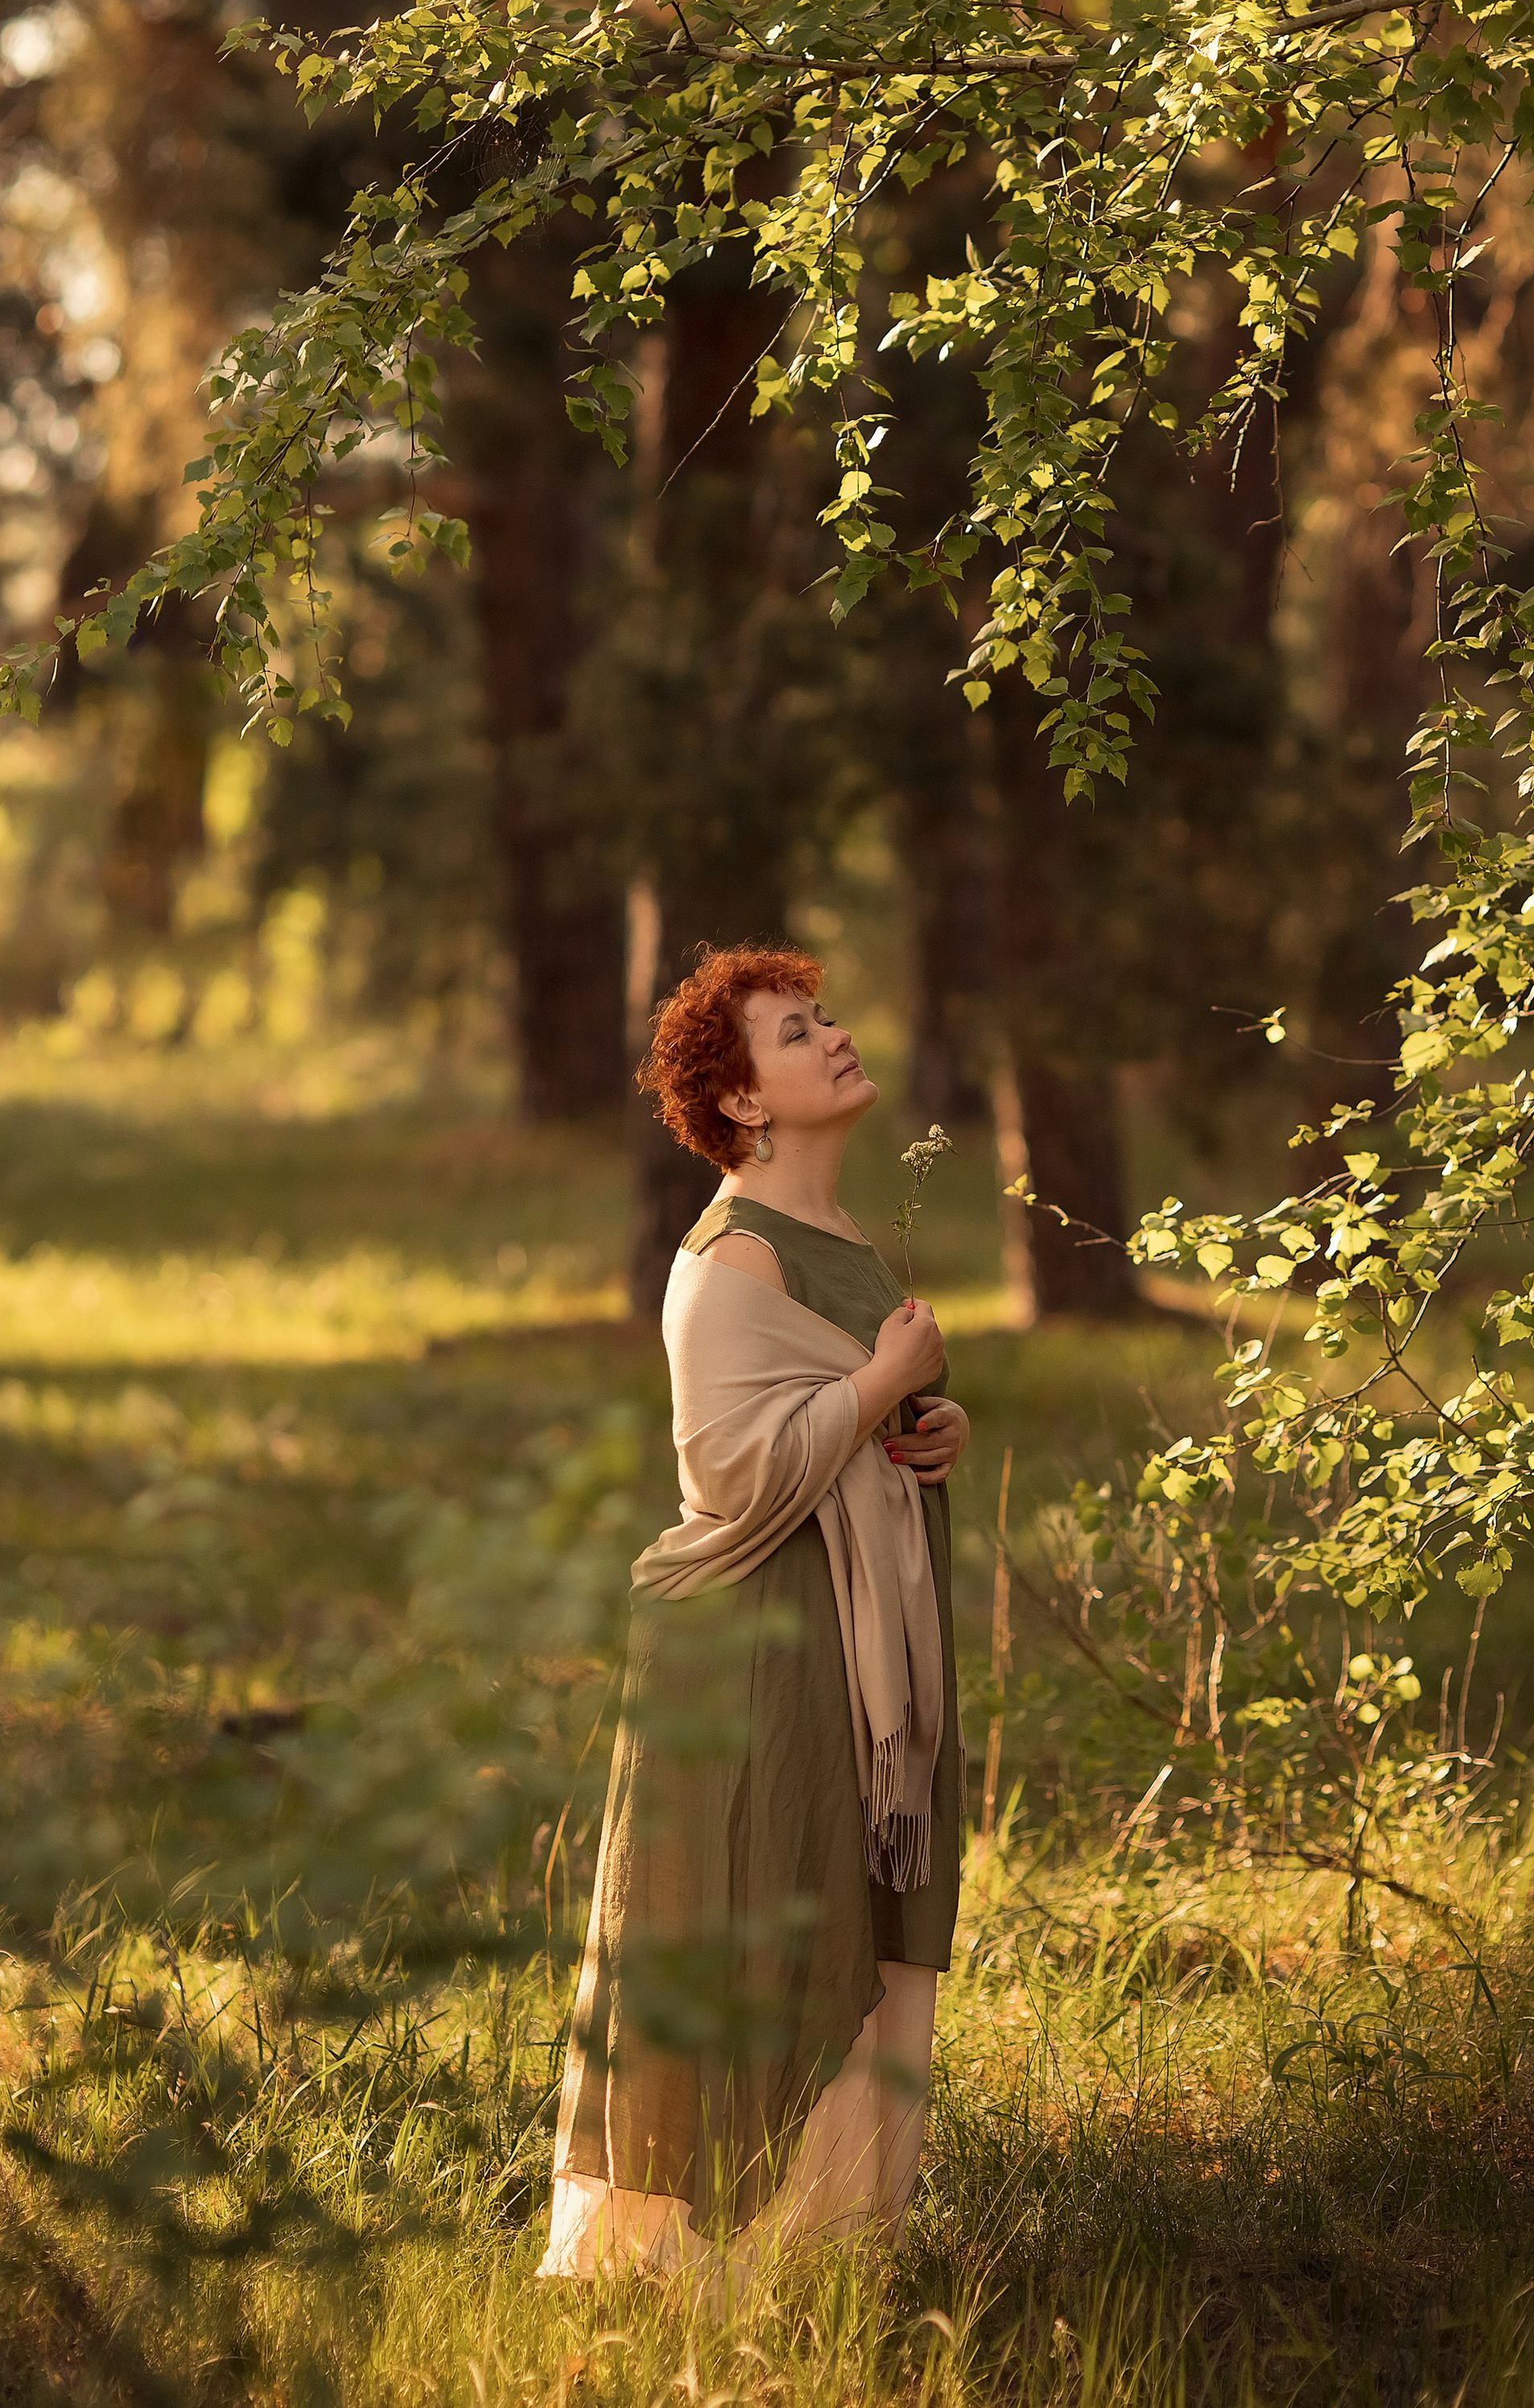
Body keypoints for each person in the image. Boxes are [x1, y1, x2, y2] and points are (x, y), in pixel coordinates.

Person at [539, 944, 969, 2279]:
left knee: (852, 1901)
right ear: (743, 1104)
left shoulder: (836, 1236)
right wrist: (880, 1380)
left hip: (848, 1635)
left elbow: (835, 1414)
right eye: (797, 1033)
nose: (834, 1038)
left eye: (825, 1017)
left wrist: (924, 1417)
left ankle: (831, 2250)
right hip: (758, 1642)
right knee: (769, 1906)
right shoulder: (730, 1255)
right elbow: (728, 1471)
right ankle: (706, 2267)